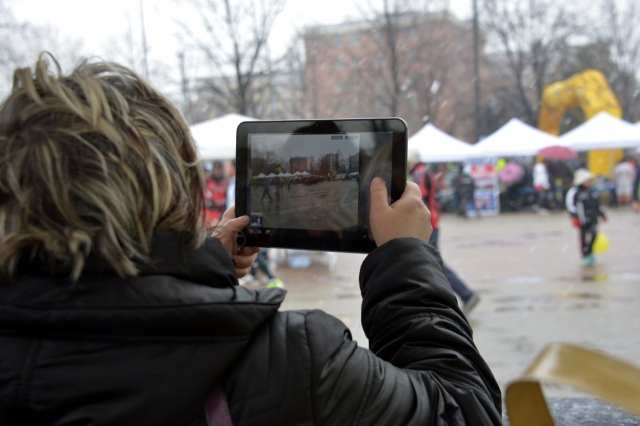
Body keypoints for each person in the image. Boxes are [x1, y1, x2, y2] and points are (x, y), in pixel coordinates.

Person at [0, 56, 500, 425]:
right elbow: (468, 412)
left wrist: (193, 268)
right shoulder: (294, 360)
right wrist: (404, 259)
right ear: (169, 186)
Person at [408, 149, 481, 314]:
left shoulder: (419, 173)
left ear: (411, 162)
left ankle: (463, 295)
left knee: (433, 264)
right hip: (431, 222)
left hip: (428, 224)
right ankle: (438, 302)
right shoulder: (423, 171)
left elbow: (418, 199)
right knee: (428, 263)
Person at [568, 169, 608, 266]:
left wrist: (603, 215)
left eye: (589, 180)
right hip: (583, 219)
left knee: (594, 235)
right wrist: (574, 217)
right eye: (586, 180)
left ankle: (590, 252)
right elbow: (571, 205)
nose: (588, 182)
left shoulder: (593, 191)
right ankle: (585, 255)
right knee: (584, 238)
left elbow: (598, 204)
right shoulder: (575, 192)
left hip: (593, 218)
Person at [204, 160, 228, 226]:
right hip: (208, 214)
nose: (217, 171)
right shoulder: (208, 181)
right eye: (215, 169)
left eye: (219, 169)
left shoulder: (226, 182)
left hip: (221, 213)